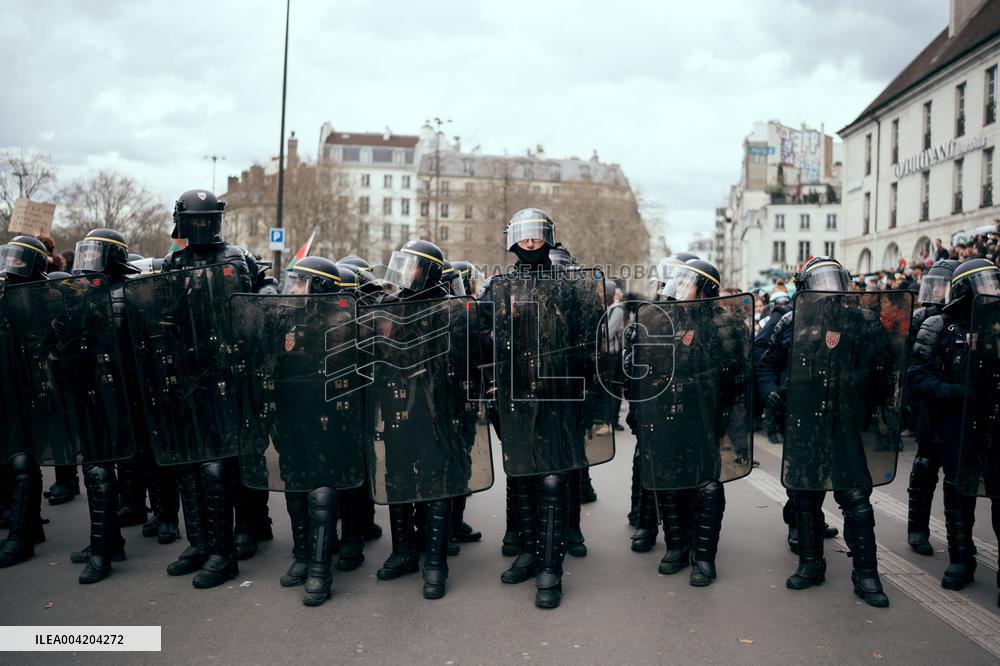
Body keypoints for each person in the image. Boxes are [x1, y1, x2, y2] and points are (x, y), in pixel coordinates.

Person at [758, 256, 895, 608]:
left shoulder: (862, 321)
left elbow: (886, 367)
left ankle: (866, 574)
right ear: (804, 288)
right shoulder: (790, 320)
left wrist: (869, 399)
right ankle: (810, 564)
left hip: (845, 423)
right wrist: (771, 392)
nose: (828, 290)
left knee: (857, 501)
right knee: (805, 497)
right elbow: (766, 364)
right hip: (805, 421)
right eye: (820, 282)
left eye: (833, 281)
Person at [159, 189, 273, 588]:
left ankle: (228, 548)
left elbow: (262, 293)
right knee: (190, 466)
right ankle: (200, 543)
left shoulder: (236, 257)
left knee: (222, 465)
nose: (198, 226)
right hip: (190, 377)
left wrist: (262, 300)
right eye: (193, 219)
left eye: (203, 220)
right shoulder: (175, 262)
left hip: (229, 374)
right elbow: (164, 313)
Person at [908, 257, 1000, 602]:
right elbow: (917, 377)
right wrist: (955, 393)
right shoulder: (938, 326)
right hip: (954, 425)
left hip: (994, 424)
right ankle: (961, 559)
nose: (991, 291)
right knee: (957, 491)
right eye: (984, 284)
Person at [64, 229, 142, 583]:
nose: (87, 262)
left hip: (118, 396)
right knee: (92, 469)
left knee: (99, 471)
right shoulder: (84, 296)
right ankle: (110, 542)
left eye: (95, 255)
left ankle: (102, 553)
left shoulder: (125, 295)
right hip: (91, 393)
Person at [0, 236, 54, 568]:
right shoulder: (5, 296)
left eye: (20, 260)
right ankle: (31, 526)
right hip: (8, 390)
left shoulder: (42, 298)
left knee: (22, 461)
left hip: (33, 391)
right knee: (13, 459)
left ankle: (22, 538)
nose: (13, 266)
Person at [903, 259, 959, 556]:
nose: (936, 292)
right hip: (927, 403)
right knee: (925, 465)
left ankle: (959, 540)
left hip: (958, 406)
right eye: (933, 286)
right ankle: (917, 528)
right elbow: (908, 362)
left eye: (942, 286)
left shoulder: (966, 318)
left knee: (957, 473)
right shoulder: (921, 317)